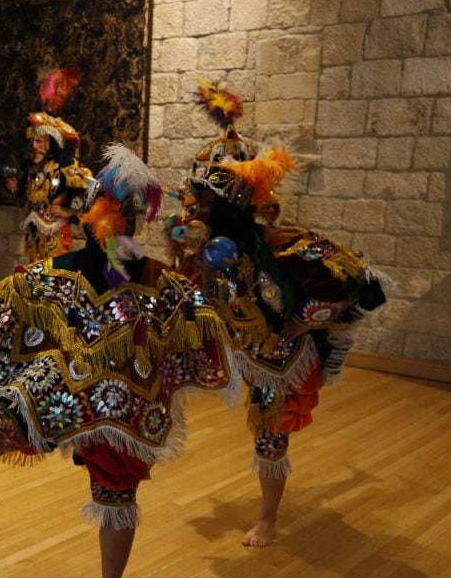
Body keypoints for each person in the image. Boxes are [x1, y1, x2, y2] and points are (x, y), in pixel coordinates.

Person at [0, 145, 235, 578]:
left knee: (4, 409)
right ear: (137, 224)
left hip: (63, 385)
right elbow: (205, 324)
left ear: (86, 220)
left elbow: (7, 300)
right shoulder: (163, 281)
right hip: (126, 404)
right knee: (116, 499)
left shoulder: (54, 273)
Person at [162, 80, 387, 547]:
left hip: (281, 359)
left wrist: (306, 320)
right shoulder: (208, 251)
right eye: (193, 199)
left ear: (226, 208)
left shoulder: (278, 254)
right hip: (236, 346)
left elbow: (354, 292)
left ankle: (267, 518)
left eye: (202, 201)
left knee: (269, 437)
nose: (191, 208)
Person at [3, 69, 97, 263]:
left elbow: (92, 186)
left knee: (54, 273)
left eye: (39, 141)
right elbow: (26, 196)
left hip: (55, 231)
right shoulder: (31, 166)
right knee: (34, 271)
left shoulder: (65, 164)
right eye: (34, 141)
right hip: (33, 229)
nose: (34, 146)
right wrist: (15, 189)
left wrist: (69, 211)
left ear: (50, 142)